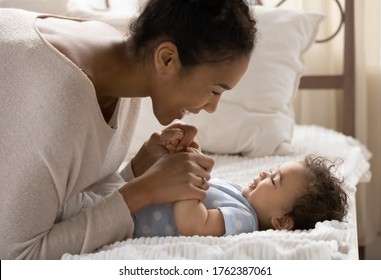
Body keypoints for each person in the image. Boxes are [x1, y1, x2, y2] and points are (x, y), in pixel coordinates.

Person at [0, 0, 257, 259]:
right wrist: (144, 191)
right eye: (214, 90)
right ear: (166, 59)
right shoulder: (63, 99)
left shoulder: (119, 65)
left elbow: (72, 199)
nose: (212, 107)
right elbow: (17, 257)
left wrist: (140, 168)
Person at [133, 128, 349, 237]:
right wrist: (191, 157)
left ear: (281, 221)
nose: (265, 173)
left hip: (131, 217)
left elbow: (193, 224)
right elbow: (205, 186)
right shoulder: (240, 194)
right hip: (141, 192)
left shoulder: (245, 220)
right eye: (273, 171)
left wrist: (189, 179)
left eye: (274, 181)